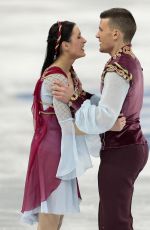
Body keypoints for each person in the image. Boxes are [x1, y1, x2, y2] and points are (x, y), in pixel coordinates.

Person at [21, 21, 125, 230]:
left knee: (56, 220)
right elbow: (67, 127)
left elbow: (84, 98)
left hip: (59, 151)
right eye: (78, 36)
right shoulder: (57, 79)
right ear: (65, 45)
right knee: (50, 222)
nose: (85, 40)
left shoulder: (69, 74)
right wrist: (107, 125)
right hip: (52, 155)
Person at [52, 9, 149, 230]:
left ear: (115, 34)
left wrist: (73, 98)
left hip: (122, 149)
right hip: (129, 147)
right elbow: (109, 103)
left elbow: (105, 117)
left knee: (114, 222)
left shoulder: (118, 67)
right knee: (113, 218)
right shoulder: (128, 60)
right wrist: (79, 95)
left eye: (101, 29)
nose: (96, 35)